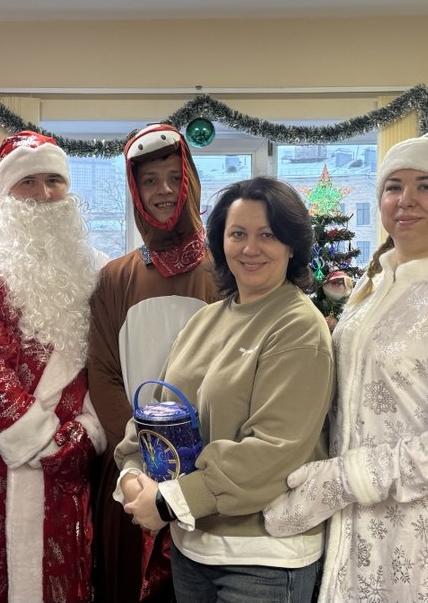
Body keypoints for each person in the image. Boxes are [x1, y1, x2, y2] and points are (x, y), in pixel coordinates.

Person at [263, 131, 428, 602]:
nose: (406, 200)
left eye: (426, 186)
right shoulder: (371, 287)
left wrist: (340, 481)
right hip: (360, 525)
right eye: (393, 186)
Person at [115, 176, 335, 603]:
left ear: (292, 245)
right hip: (193, 545)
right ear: (220, 242)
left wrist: (168, 502)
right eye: (237, 234)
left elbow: (273, 450)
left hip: (263, 557)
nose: (250, 248)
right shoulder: (206, 320)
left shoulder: (298, 326)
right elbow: (159, 409)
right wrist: (132, 472)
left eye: (267, 235)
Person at [0, 130, 109, 603]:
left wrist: (88, 431)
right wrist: (42, 441)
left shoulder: (94, 264)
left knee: (71, 572)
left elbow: (106, 358)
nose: (44, 193)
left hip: (74, 455)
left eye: (54, 181)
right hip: (5, 456)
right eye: (28, 182)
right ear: (6, 191)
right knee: (8, 580)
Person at [87, 123, 220, 603]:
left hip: (211, 473)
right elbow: (103, 373)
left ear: (191, 182)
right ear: (135, 191)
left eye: (173, 178)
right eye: (149, 181)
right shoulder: (114, 279)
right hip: (134, 471)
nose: (163, 191)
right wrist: (144, 461)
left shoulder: (229, 270)